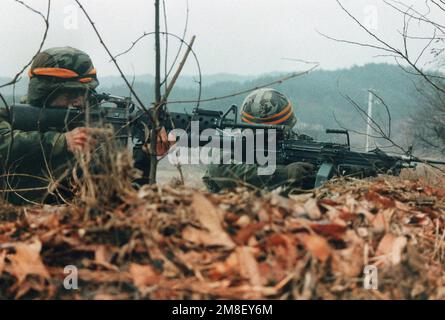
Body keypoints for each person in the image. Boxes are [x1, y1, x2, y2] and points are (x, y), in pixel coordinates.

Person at [0, 47, 159, 205]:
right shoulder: (10, 118)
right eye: (70, 94)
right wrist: (62, 142)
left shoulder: (89, 135)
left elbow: (122, 198)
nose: (78, 101)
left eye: (83, 93)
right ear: (45, 94)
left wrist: (146, 154)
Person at [202, 88, 315, 193]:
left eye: (277, 134)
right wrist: (283, 173)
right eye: (264, 134)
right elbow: (219, 170)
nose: (270, 138)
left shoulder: (296, 142)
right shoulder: (231, 139)